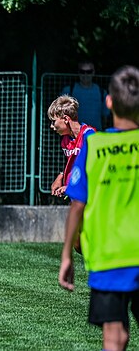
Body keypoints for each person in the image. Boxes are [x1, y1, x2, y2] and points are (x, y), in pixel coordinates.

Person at [58, 65, 139, 351]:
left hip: (110, 256)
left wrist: (67, 254)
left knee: (114, 338)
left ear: (109, 101)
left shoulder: (95, 146)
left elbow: (77, 203)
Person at [47, 95, 96, 198]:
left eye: (53, 121)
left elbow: (93, 168)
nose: (51, 126)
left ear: (65, 119)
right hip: (77, 195)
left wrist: (70, 187)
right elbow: (75, 165)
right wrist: (61, 176)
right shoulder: (65, 141)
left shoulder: (89, 135)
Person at [61, 61, 111, 130]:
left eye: (89, 72)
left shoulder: (102, 92)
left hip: (95, 134)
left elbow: (105, 116)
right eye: (82, 71)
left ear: (93, 73)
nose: (85, 74)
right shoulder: (68, 91)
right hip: (74, 135)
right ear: (78, 73)